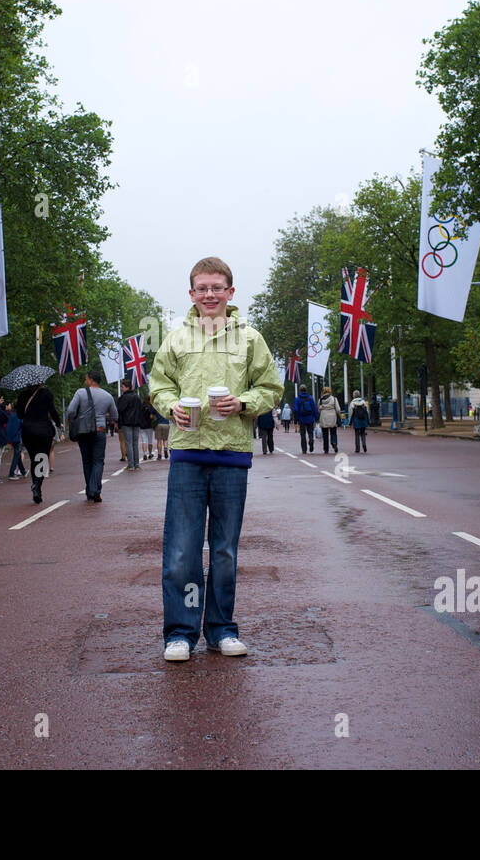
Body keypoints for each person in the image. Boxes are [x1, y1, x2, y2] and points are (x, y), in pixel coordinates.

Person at [150, 256, 283, 663]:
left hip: (232, 455)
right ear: (191, 294)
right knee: (182, 550)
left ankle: (222, 629)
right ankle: (180, 633)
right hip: (188, 454)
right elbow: (158, 387)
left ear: (230, 292)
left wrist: (243, 402)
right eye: (202, 288)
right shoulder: (175, 338)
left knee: (224, 550)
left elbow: (272, 388)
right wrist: (170, 405)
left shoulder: (250, 339)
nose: (210, 294)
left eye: (217, 287)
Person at [67, 368, 117, 502]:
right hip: (99, 430)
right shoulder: (107, 396)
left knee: (87, 461)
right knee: (98, 461)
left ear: (91, 379)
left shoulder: (80, 392)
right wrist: (104, 416)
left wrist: (76, 418)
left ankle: (90, 490)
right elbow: (114, 415)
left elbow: (70, 411)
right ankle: (95, 490)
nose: (85, 381)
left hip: (83, 431)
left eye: (86, 379)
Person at [14, 382, 62, 504]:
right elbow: (52, 410)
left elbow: (20, 415)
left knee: (34, 459)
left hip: (28, 431)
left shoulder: (22, 395)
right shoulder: (46, 394)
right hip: (43, 431)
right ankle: (36, 485)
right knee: (42, 459)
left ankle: (37, 488)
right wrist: (58, 423)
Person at [116, 379, 144, 470]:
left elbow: (120, 410)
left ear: (127, 387)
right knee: (135, 443)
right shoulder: (137, 397)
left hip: (126, 423)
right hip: (136, 422)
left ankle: (131, 465)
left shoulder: (123, 398)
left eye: (122, 386)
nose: (121, 388)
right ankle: (137, 464)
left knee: (128, 443)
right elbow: (141, 409)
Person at [292, 384, 318, 454]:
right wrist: (316, 418)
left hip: (302, 419)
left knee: (302, 434)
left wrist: (296, 419)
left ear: (300, 390)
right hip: (310, 418)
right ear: (306, 390)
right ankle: (311, 439)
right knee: (310, 432)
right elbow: (314, 408)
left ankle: (304, 449)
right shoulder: (310, 398)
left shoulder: (297, 399)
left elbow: (295, 409)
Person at [5, 404, 28, 480]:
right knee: (17, 455)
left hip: (12, 437)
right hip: (18, 437)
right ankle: (11, 474)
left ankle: (23, 471)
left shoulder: (13, 415)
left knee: (17, 455)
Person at [318, 385, 340, 454]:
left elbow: (318, 409)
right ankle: (334, 442)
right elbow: (338, 409)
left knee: (325, 434)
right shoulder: (334, 399)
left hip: (324, 417)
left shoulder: (320, 400)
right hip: (332, 417)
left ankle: (326, 449)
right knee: (333, 432)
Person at [140, 396, 157, 460]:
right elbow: (152, 417)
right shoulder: (151, 407)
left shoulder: (141, 406)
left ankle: (144, 453)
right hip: (149, 426)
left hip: (142, 426)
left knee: (144, 441)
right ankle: (150, 453)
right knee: (150, 441)